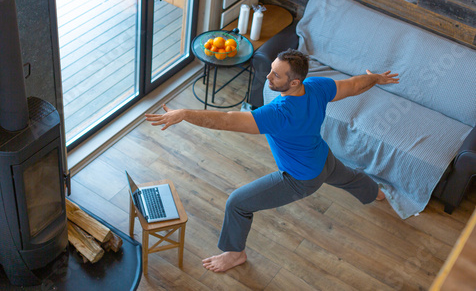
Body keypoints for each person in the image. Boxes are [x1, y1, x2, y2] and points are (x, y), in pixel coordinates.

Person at [145, 49, 399, 273]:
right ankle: (376, 193)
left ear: (295, 81)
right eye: (271, 70)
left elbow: (227, 120)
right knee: (349, 177)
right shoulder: (317, 87)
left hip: (299, 179)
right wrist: (376, 78)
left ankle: (235, 254)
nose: (268, 77)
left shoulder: (278, 114)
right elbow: (355, 85)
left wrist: (185, 114)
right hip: (323, 158)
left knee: (237, 203)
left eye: (276, 75)